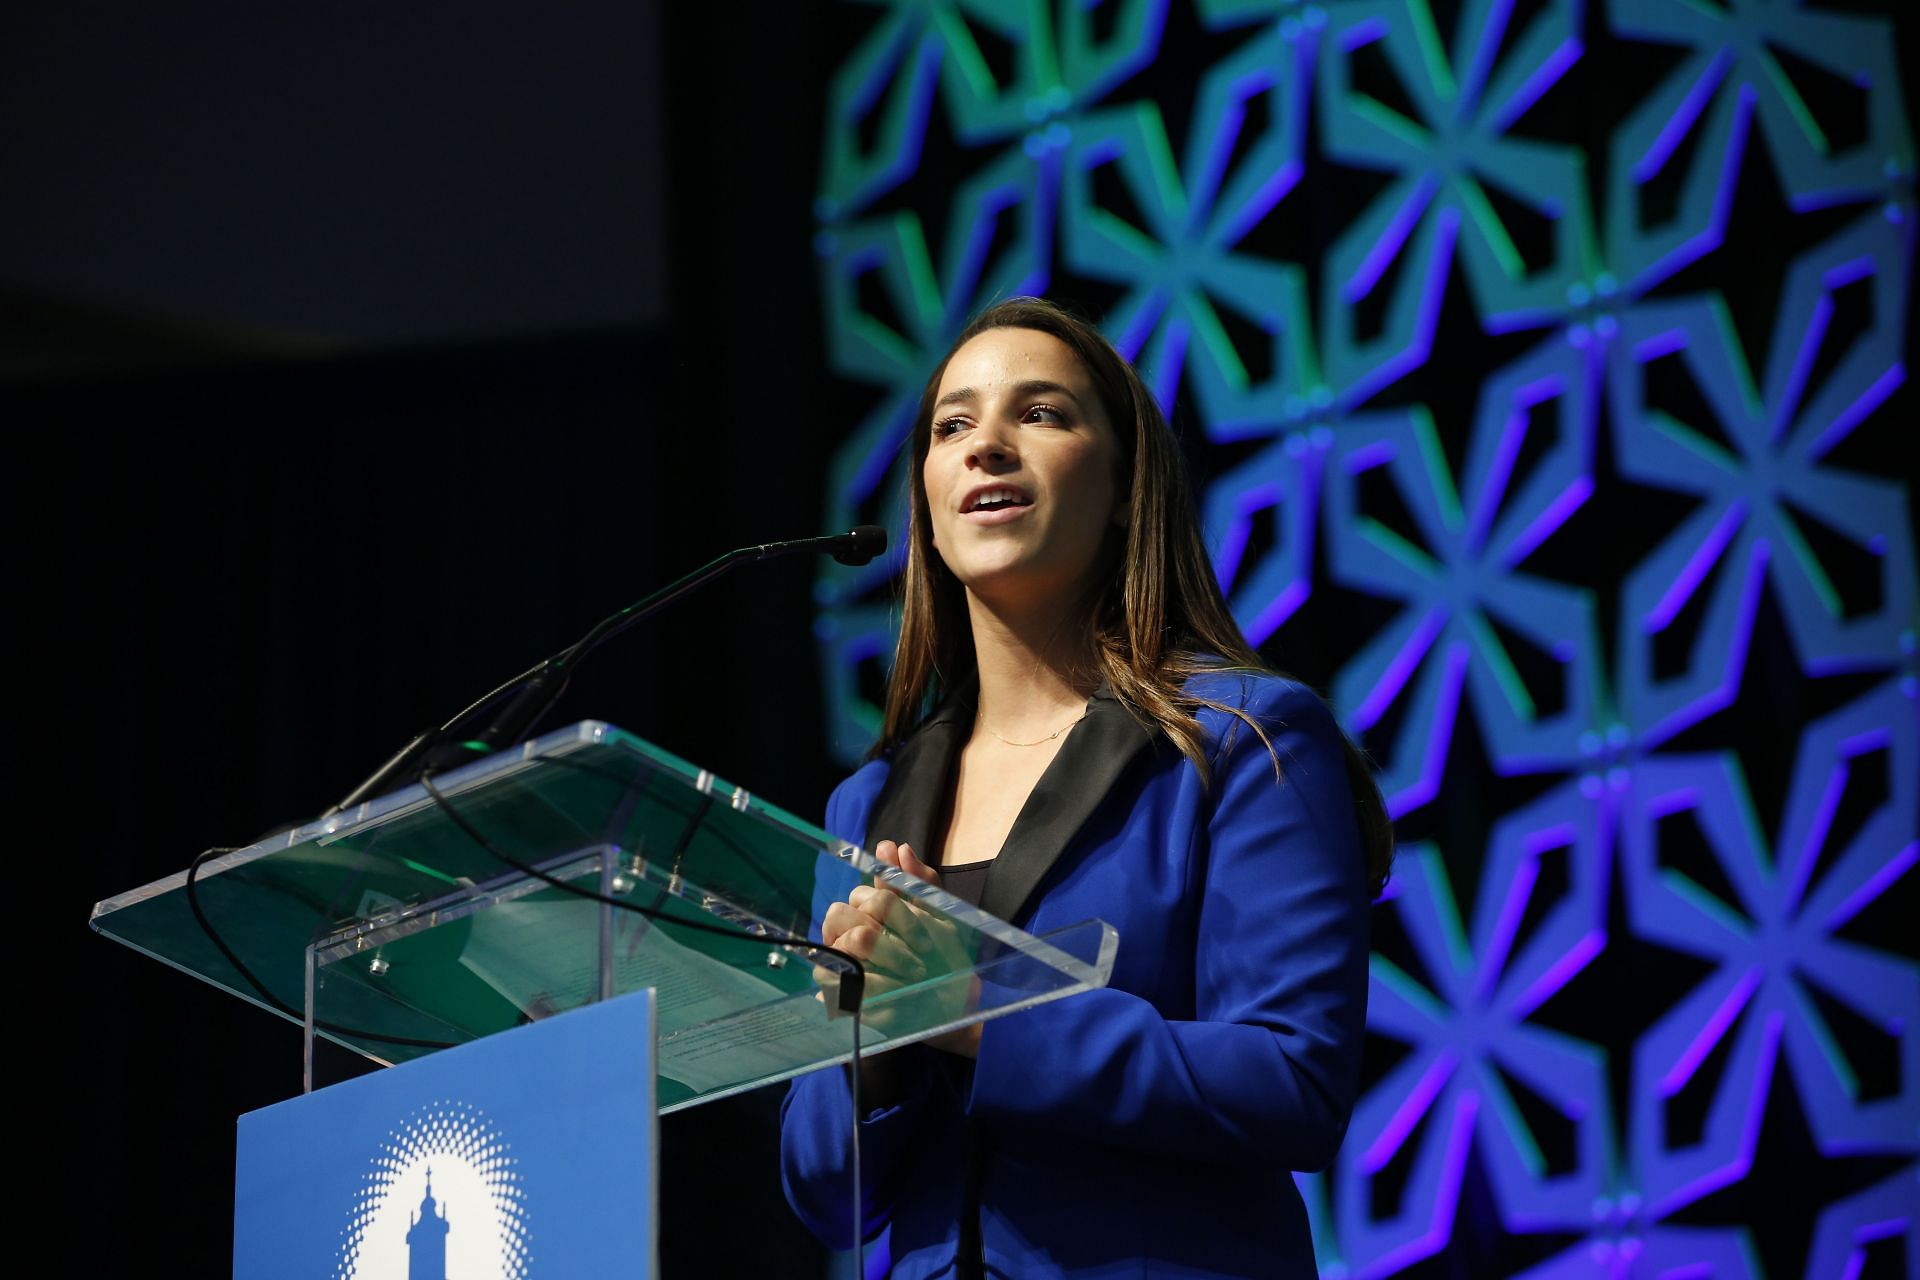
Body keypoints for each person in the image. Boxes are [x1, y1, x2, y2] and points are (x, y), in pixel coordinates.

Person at [781, 296, 1392, 1278]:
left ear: (1122, 487)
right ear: (928, 508)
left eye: (1042, 412)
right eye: (952, 425)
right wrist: (875, 1048)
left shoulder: (1241, 741)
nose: (986, 445)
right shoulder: (867, 805)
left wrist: (981, 1009)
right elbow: (824, 1189)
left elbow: (1292, 1081)